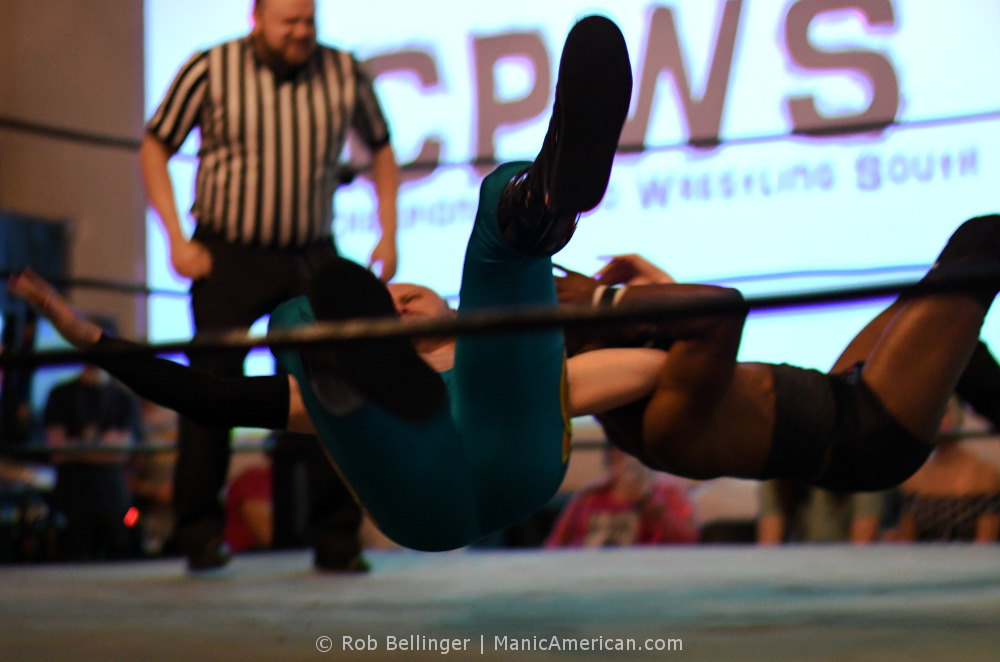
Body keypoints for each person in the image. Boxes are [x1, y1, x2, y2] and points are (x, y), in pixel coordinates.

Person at [13, 15, 638, 552]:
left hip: (512, 442)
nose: (399, 302)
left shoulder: (505, 362)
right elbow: (203, 395)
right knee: (295, 320)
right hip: (416, 485)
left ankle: (547, 197)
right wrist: (88, 337)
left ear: (446, 307)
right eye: (389, 310)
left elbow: (652, 370)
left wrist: (663, 338)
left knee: (498, 220)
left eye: (409, 297)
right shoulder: (213, 67)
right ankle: (342, 368)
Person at [140, 0, 398, 570]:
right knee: (212, 385)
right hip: (227, 253)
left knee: (331, 384)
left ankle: (336, 538)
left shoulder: (344, 70)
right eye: (289, 22)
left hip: (311, 251)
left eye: (309, 20)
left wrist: (389, 230)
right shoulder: (211, 67)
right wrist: (176, 239)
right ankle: (199, 534)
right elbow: (155, 145)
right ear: (256, 17)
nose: (301, 32)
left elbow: (380, 147)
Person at [553, 228, 1000, 497]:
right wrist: (603, 300)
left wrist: (621, 298)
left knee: (955, 337)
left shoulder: (653, 383)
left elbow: (680, 335)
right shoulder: (662, 424)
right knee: (983, 242)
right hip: (868, 434)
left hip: (846, 395)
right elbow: (720, 310)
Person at [43, 360, 144, 561]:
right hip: (72, 496)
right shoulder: (62, 394)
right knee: (71, 556)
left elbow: (124, 452)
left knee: (121, 554)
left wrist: (78, 446)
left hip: (114, 498)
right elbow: (57, 450)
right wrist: (103, 446)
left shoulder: (123, 397)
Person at [543, 446, 698, 548]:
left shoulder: (666, 494)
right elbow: (555, 543)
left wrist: (647, 501)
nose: (626, 460)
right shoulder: (589, 496)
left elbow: (687, 543)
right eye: (617, 452)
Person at [895, 397, 1000, 543]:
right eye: (930, 413)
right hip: (923, 562)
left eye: (944, 412)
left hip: (971, 562)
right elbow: (907, 541)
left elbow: (985, 544)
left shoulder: (984, 474)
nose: (937, 419)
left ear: (957, 415)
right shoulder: (915, 477)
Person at [756, 481, 883, 545]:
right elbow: (769, 545)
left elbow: (863, 543)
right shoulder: (776, 479)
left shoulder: (860, 468)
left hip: (846, 570)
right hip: (798, 571)